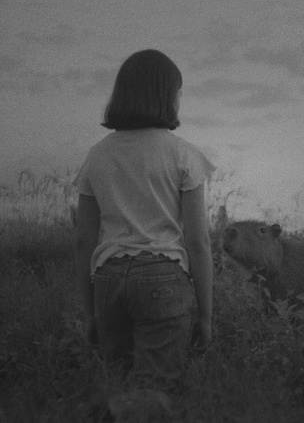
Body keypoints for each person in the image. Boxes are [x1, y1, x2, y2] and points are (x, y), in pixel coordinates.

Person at [73, 49, 215, 394]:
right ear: (166, 96)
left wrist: (89, 313)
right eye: (178, 93)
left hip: (108, 278)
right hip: (162, 275)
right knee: (156, 391)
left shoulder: (97, 155)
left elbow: (83, 241)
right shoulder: (183, 154)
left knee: (120, 384)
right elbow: (198, 242)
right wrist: (206, 315)